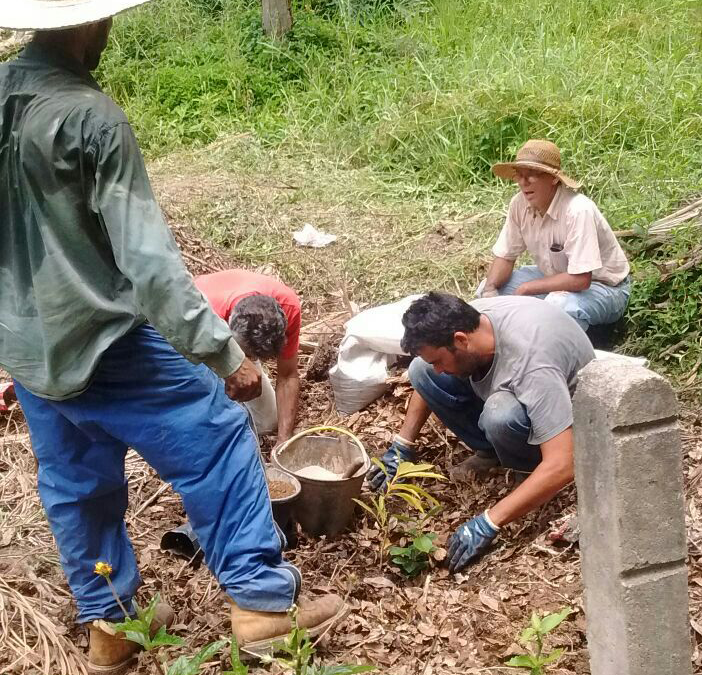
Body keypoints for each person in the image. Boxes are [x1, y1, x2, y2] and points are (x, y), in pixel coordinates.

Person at [0, 2, 345, 672]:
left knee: (76, 483)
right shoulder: (90, 117)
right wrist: (225, 355)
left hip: (27, 346)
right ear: (92, 25)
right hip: (103, 339)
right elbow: (151, 265)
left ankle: (112, 625)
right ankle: (264, 606)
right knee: (217, 432)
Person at [367, 292, 594, 573]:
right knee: (420, 372)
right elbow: (431, 370)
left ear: (461, 340)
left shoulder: (531, 365)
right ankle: (492, 451)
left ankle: (527, 468)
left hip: (561, 420)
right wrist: (402, 444)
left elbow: (563, 464)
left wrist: (490, 520)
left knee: (501, 414)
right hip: (519, 389)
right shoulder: (473, 321)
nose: (438, 369)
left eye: (439, 359)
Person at [477, 139, 631, 332]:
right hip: (552, 277)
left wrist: (527, 288)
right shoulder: (519, 204)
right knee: (486, 293)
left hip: (603, 287)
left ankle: (567, 351)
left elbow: (581, 280)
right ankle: (504, 343)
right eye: (520, 176)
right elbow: (506, 256)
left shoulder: (577, 210)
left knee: (559, 306)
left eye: (532, 175)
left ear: (554, 178)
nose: (523, 183)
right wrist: (491, 290)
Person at [195, 269, 301, 445]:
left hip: (236, 327)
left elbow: (288, 375)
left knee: (267, 423)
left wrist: (284, 440)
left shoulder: (289, 307)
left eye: (254, 357)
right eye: (247, 355)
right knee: (213, 422)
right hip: (199, 339)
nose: (250, 360)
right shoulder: (203, 314)